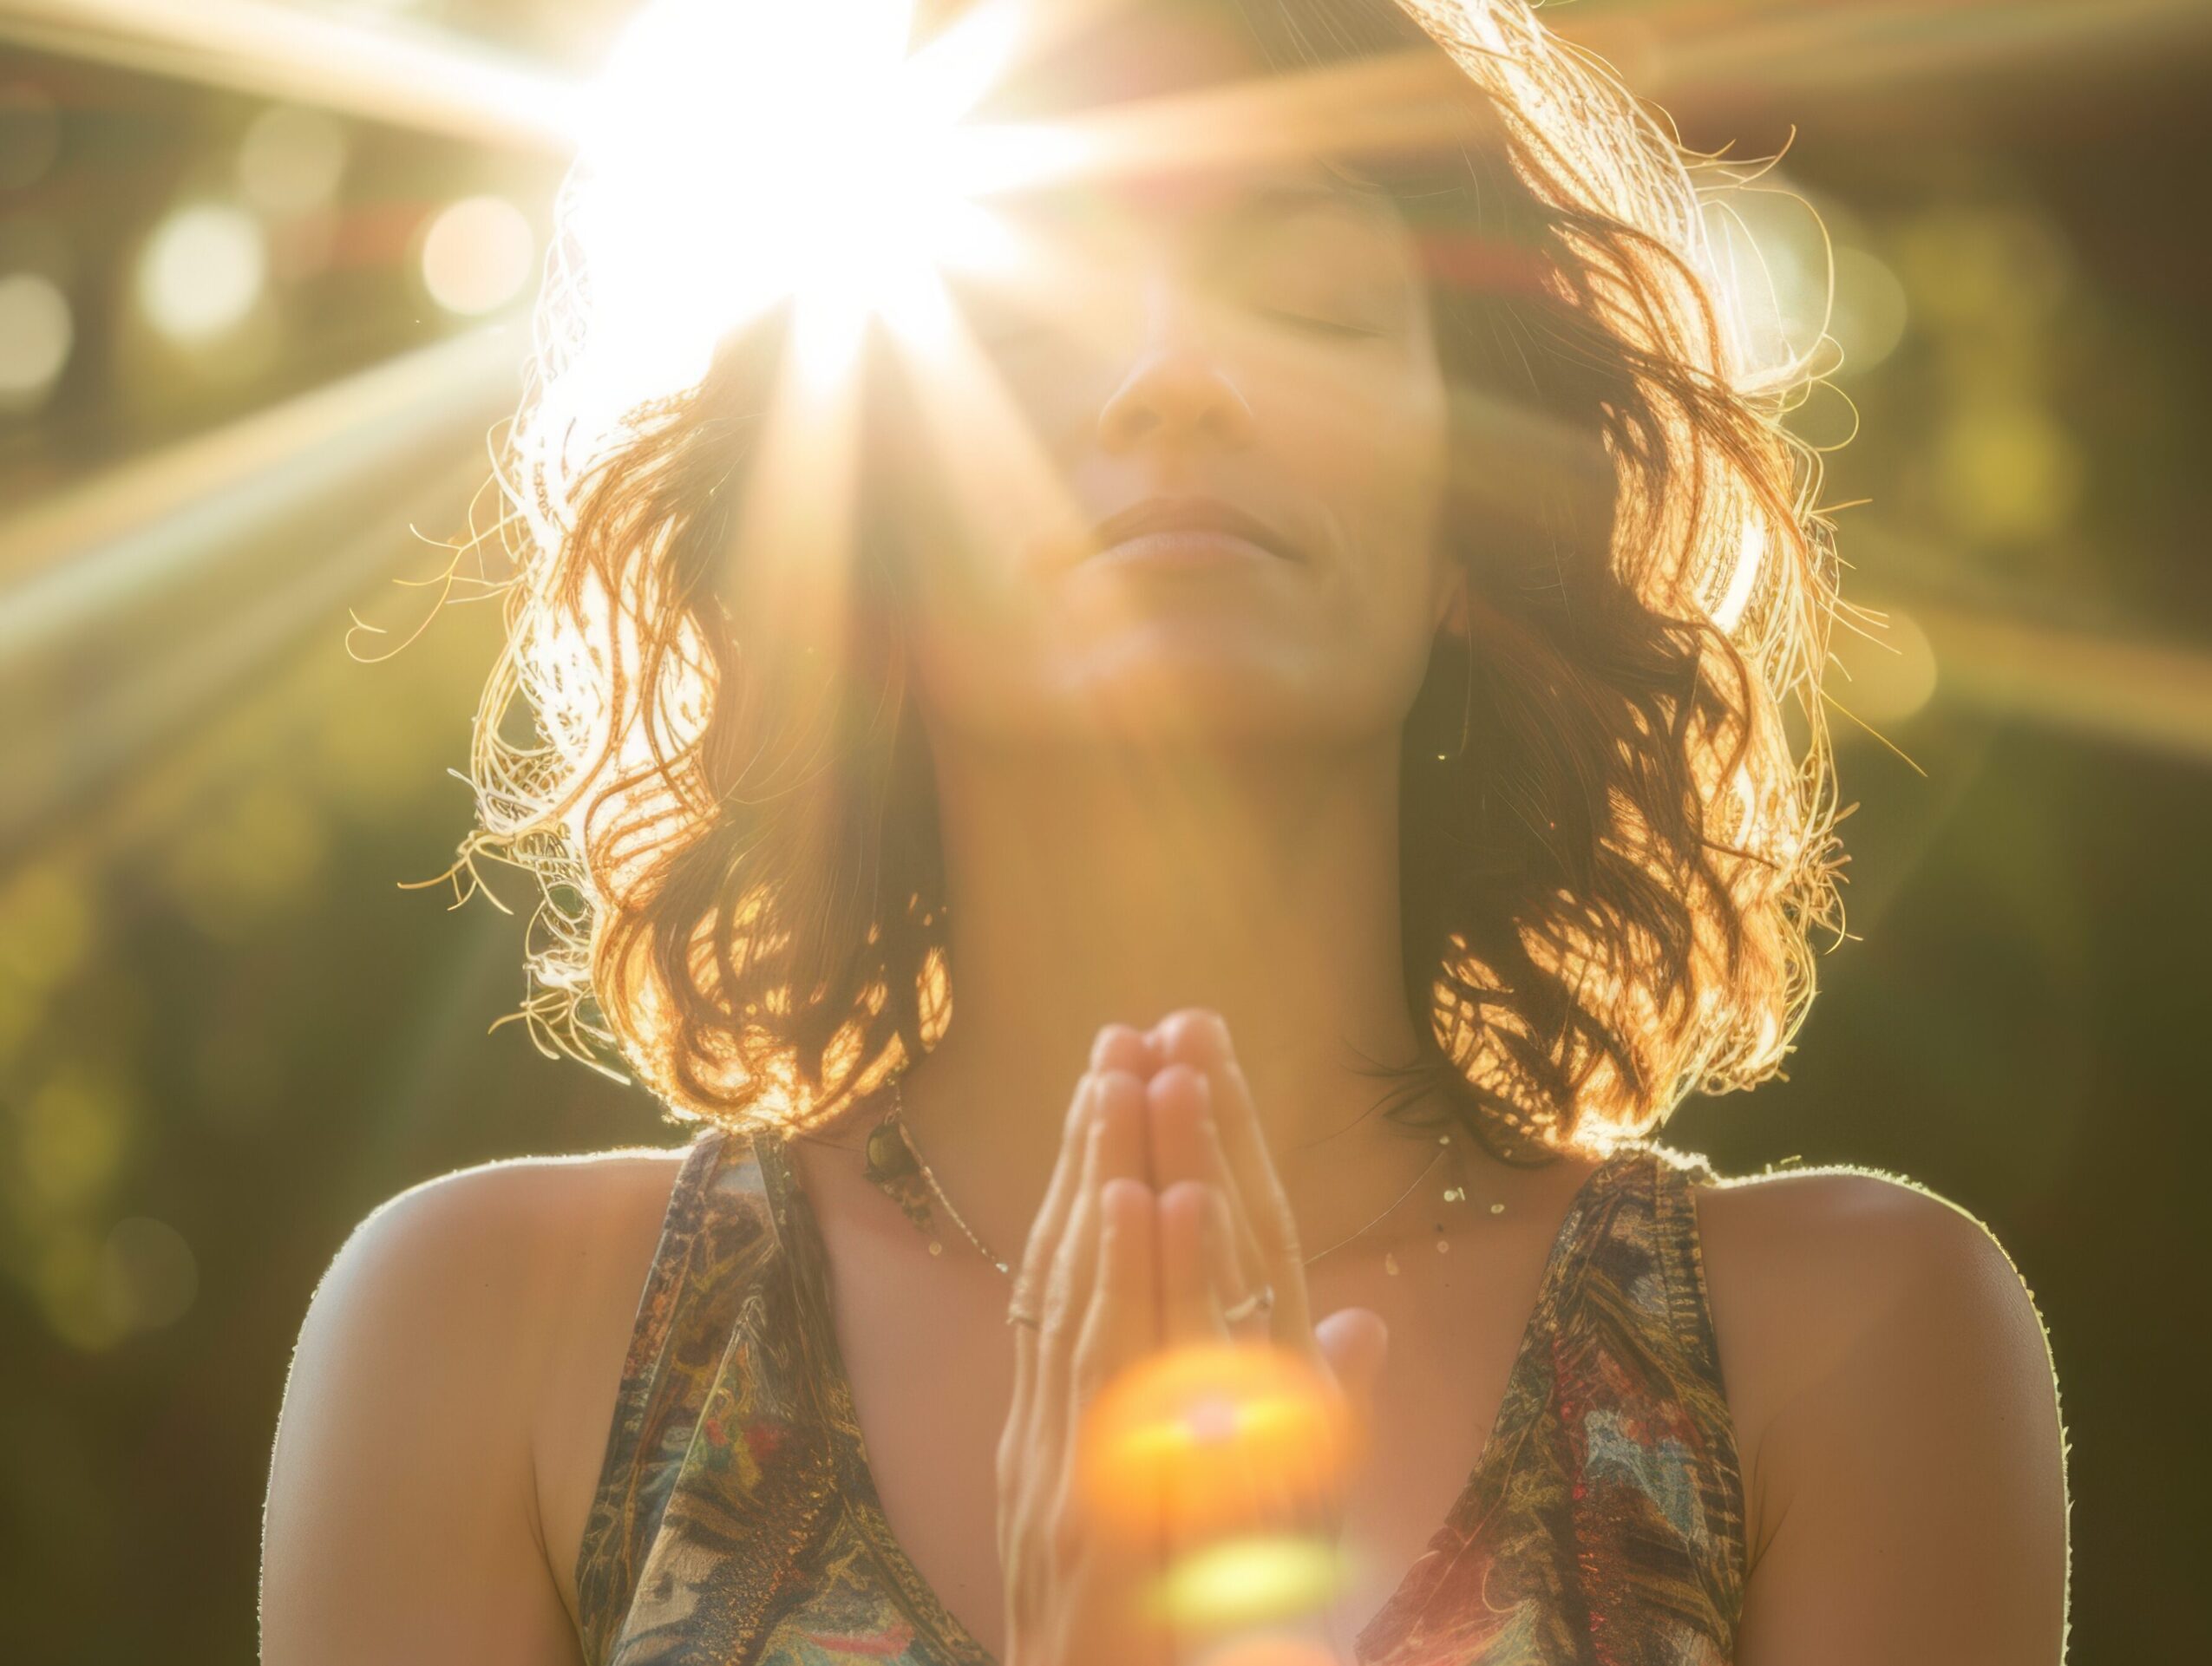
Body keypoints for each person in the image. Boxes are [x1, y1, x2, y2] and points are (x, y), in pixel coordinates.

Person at [259, 2, 2071, 1663]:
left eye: (1310, 301)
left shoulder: (1842, 1354)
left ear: (1466, 525)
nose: (1171, 378)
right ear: (869, 557)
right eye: (1028, 325)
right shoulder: (481, 1347)